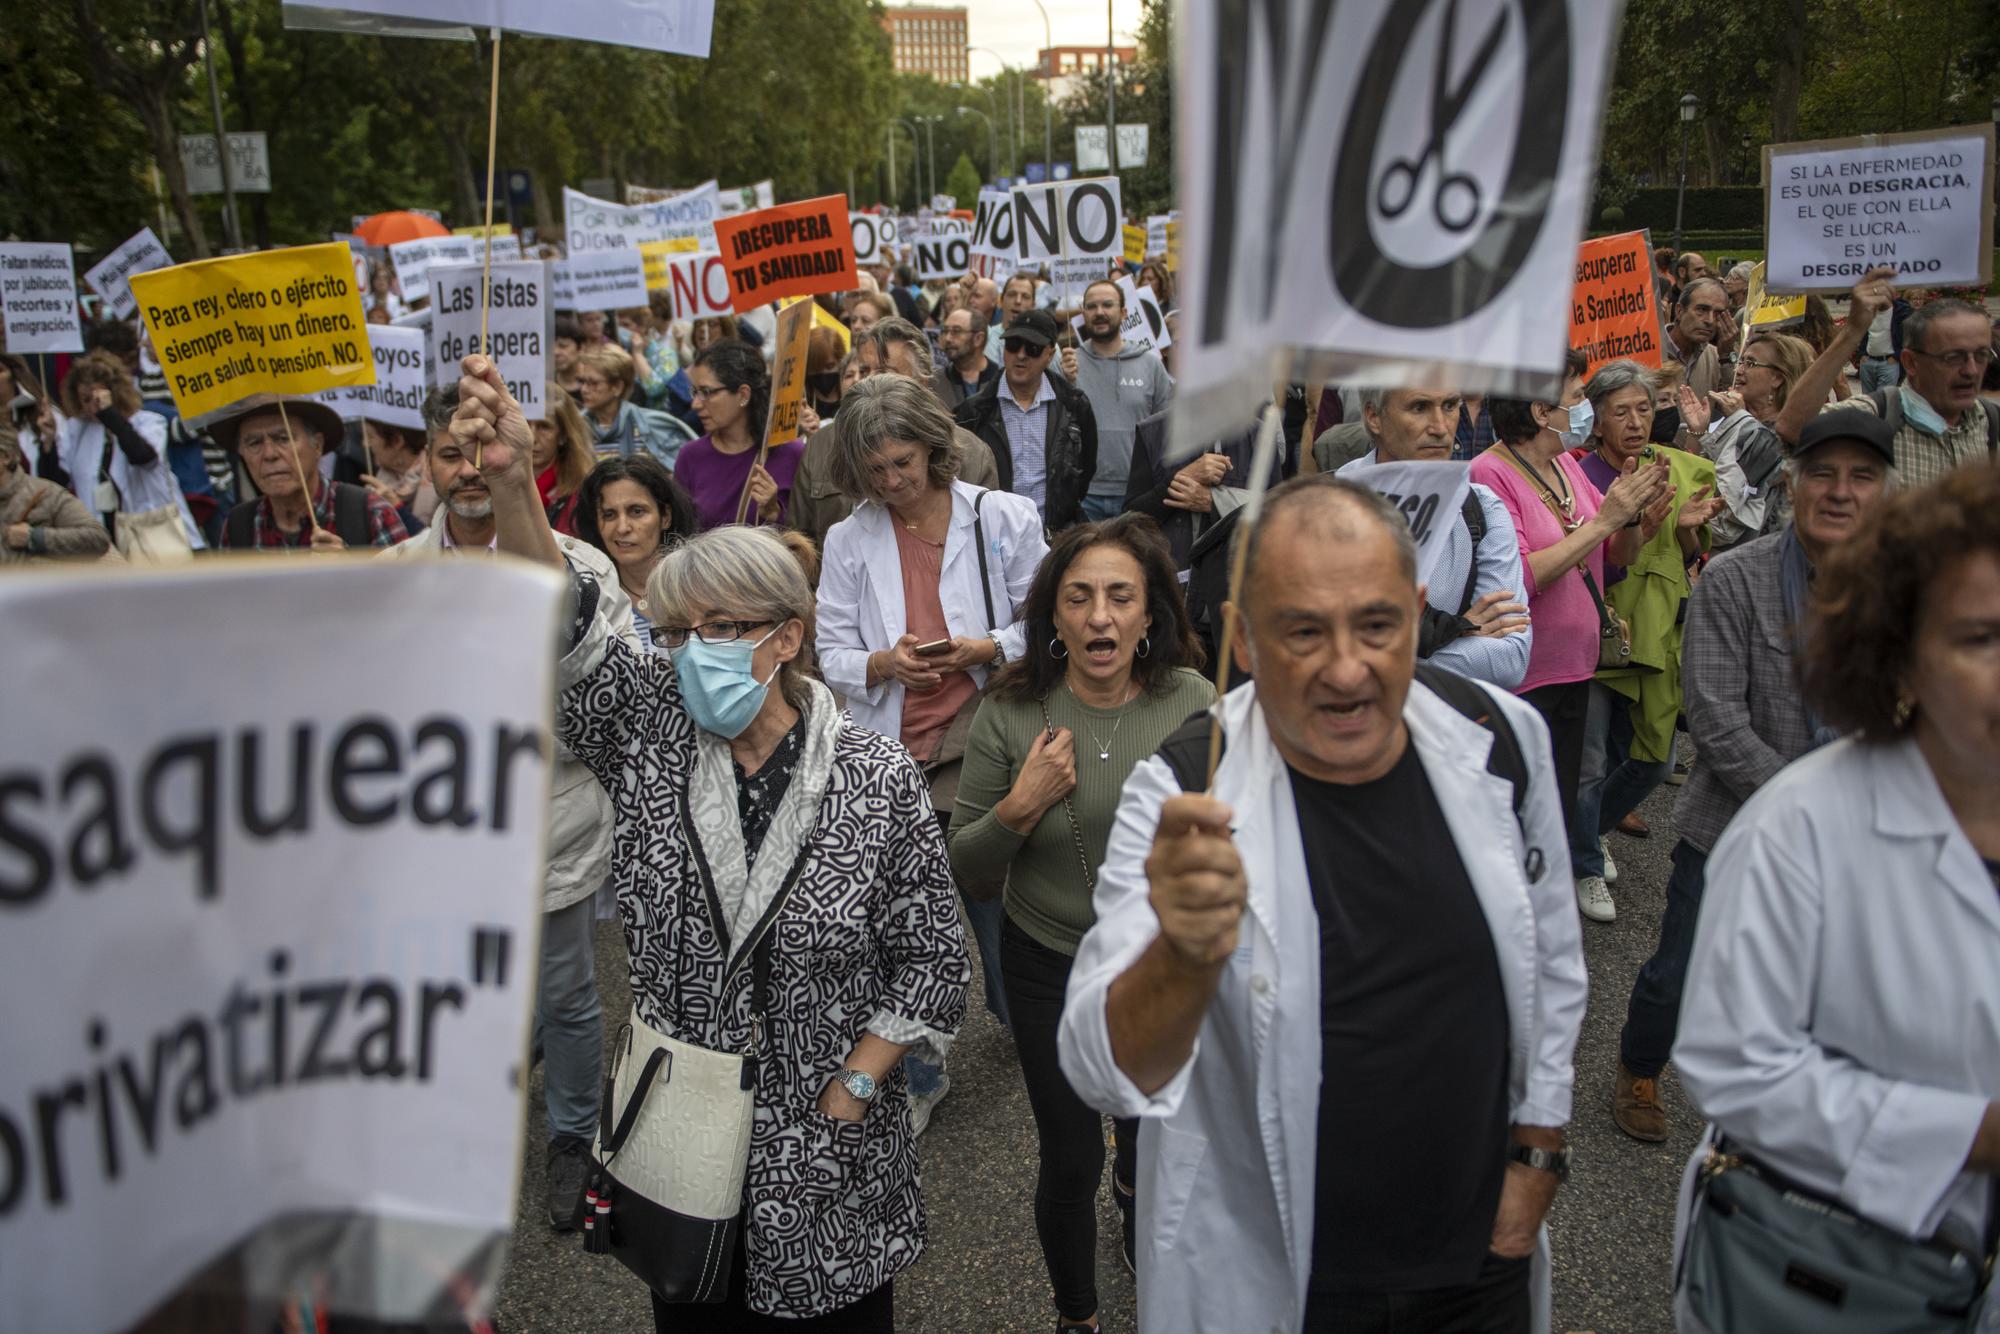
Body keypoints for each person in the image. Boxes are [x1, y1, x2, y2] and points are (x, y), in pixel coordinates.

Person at [452, 351, 971, 1330]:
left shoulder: (873, 778)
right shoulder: (646, 730)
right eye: (677, 631)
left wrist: (855, 1088)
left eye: (722, 628)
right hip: (684, 1140)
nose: (694, 652)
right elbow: (562, 625)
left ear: (784, 634)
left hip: (829, 1157)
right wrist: (518, 479)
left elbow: (932, 964)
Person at [1057, 475, 1587, 1334]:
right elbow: (1100, 1069)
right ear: (1243, 638)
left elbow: (1552, 962)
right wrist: (1181, 957)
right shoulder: (1184, 792)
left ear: (1418, 612)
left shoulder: (1502, 741)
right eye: (1303, 630)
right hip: (1275, 1281)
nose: (1348, 669)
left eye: (1378, 624)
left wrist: (1538, 1151)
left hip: (1479, 1265)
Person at [1669, 463, 2000, 1333]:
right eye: (1980, 639)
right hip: (1829, 1281)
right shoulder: (1806, 824)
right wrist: (1967, 1137)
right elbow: (1732, 1064)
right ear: (1902, 651)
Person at [949, 515, 1213, 1328]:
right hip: (1046, 965)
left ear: (1148, 614)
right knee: (1068, 1160)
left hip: (1156, 968)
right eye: (1080, 598)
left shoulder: (1196, 702)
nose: (1100, 617)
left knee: (1146, 1140)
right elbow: (969, 867)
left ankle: (1136, 1202)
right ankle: (1077, 1314)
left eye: (1120, 597)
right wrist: (1021, 807)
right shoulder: (1011, 709)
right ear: (1054, 619)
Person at [383, 383, 633, 1231]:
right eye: (449, 454)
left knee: (564, 993)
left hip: (544, 826)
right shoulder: (388, 578)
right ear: (426, 462)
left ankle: (572, 1136)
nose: (467, 471)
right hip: (439, 838)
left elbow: (606, 704)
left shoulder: (582, 566)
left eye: (482, 453)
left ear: (517, 458)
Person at [1609, 408, 1894, 1145]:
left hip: (1862, 840)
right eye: (1822, 474)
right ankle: (1640, 1066)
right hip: (1731, 827)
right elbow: (1715, 719)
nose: (1839, 491)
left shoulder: (1905, 590)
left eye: (1861, 476)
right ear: (1791, 487)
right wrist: (1819, 806)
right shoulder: (1736, 579)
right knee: (1679, 969)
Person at [816, 374, 1048, 1121]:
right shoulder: (849, 539)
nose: (891, 482)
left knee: (984, 890)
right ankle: (920, 1068)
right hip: (888, 750)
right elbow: (831, 653)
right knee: (900, 916)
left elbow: (1043, 625)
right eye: (876, 470)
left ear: (933, 451)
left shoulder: (1003, 517)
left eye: (904, 465)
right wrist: (885, 664)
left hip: (976, 738)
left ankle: (1027, 1017)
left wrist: (983, 646)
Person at [1470, 389, 1666, 923]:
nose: (1584, 408)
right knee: (1514, 814)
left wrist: (1633, 522)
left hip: (1575, 665)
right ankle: (1502, 927)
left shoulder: (1564, 464)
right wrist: (1607, 522)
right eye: (1576, 397)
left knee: (1552, 808)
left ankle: (1537, 922)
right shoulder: (1490, 473)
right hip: (1524, 675)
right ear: (1539, 411)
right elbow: (1520, 577)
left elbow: (1613, 559)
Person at [1566, 362, 1723, 922]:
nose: (1635, 422)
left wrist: (1683, 531)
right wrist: (1634, 529)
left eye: (1642, 409)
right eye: (1619, 412)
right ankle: (1584, 862)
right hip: (1597, 633)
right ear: (1597, 421)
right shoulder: (1578, 477)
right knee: (1589, 761)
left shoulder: (1666, 468)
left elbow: (1681, 560)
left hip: (1654, 634)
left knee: (1653, 763)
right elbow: (1585, 565)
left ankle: (1586, 831)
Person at [1328, 385, 1535, 688]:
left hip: (1447, 727)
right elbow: (1326, 649)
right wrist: (1457, 631)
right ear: (1374, 416)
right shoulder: (1325, 509)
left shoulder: (1482, 506)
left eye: (1450, 406)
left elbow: (1510, 660)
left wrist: (1387, 659)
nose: (1440, 428)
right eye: (1419, 408)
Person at [1777, 266, 1999, 490]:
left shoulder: (1988, 421)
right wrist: (1852, 331)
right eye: (1953, 357)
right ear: (1911, 363)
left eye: (1981, 355)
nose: (1971, 370)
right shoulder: (1878, 416)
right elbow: (1793, 427)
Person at [789, 319, 1001, 553]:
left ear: (921, 381)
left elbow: (985, 549)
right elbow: (801, 546)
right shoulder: (822, 446)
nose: (867, 381)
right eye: (863, 370)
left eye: (884, 373)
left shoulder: (970, 453)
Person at [956, 310, 1099, 533]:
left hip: (1055, 535)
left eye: (1032, 348)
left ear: (1050, 355)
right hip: (994, 534)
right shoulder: (974, 411)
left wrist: (1062, 509)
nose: (1021, 355)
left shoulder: (1073, 405)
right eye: (1013, 345)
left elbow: (1085, 469)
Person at [212, 395, 407, 551]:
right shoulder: (238, 526)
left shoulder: (372, 514)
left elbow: (408, 595)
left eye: (283, 438)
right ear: (241, 453)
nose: (269, 454)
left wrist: (350, 572)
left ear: (317, 445)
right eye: (254, 443)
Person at [1674, 332, 1813, 550]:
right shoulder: (1738, 420)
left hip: (1759, 559)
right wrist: (1697, 433)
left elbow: (1725, 518)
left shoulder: (1782, 435)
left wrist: (1741, 423)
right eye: (1739, 361)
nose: (1738, 370)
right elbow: (1692, 485)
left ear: (1777, 378)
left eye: (1751, 363)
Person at [56, 350, 204, 551]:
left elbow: (144, 456)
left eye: (97, 398)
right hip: (107, 542)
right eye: (85, 399)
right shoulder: (78, 431)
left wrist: (110, 414)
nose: (92, 408)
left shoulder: (148, 422)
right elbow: (64, 477)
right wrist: (47, 443)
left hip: (155, 537)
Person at [1069, 280, 1174, 524]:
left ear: (1123, 312)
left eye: (1108, 305)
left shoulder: (1151, 364)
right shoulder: (1068, 364)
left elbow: (1166, 431)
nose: (1100, 312)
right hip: (1085, 495)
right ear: (1083, 314)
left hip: (1138, 494)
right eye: (1092, 306)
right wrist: (1065, 380)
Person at [573, 454, 699, 651]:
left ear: (665, 516)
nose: (622, 527)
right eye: (609, 514)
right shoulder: (593, 600)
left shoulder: (699, 589)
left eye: (637, 511)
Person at [677, 339, 805, 532]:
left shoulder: (791, 453)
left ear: (743, 394)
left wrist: (774, 513)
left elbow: (808, 537)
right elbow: (679, 533)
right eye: (694, 392)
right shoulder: (690, 456)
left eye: (706, 392)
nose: (695, 404)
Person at [1, 430, 109, 565]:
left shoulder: (47, 494)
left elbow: (98, 539)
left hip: (35, 584)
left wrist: (34, 538)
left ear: (5, 457)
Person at [576, 344, 684, 470]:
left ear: (617, 387)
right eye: (582, 382)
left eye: (593, 383)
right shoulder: (575, 427)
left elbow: (680, 469)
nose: (584, 389)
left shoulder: (647, 425)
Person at [532, 386, 597, 534]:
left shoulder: (583, 493)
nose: (532, 437)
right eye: (524, 425)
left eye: (544, 427)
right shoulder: (497, 486)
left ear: (562, 436)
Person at [359, 418, 435, 530]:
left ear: (397, 441)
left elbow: (434, 542)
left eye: (370, 436)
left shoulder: (437, 480)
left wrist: (396, 507)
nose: (365, 444)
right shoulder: (380, 479)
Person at [1662, 277, 1728, 401]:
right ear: (1679, 311)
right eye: (1701, 310)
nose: (1710, 320)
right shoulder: (1650, 352)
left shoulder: (1715, 357)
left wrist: (1727, 358)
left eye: (1717, 314)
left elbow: (1729, 406)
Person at [937, 307, 999, 411]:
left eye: (956, 331)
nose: (947, 338)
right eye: (945, 331)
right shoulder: (936, 383)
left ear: (978, 339)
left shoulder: (1001, 381)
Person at [986, 272, 1040, 360]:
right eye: (1012, 295)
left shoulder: (1044, 345)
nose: (1018, 301)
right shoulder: (985, 339)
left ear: (1033, 306)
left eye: (1025, 297)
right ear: (1001, 301)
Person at [552, 315, 584, 402]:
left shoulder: (593, 383)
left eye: (563, 346)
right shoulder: (546, 385)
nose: (556, 352)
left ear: (580, 349)